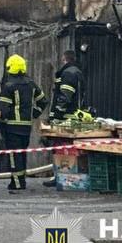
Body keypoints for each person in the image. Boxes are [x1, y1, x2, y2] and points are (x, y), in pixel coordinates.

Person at [0, 55, 46, 192]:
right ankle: (20, 179)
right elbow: (43, 101)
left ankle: (17, 183)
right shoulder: (31, 84)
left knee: (14, 154)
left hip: (12, 126)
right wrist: (34, 113)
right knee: (22, 153)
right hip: (26, 126)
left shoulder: (9, 86)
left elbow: (4, 109)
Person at [44, 51, 86, 187]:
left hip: (66, 118)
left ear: (64, 59)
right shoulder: (77, 72)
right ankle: (62, 176)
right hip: (75, 115)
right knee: (68, 149)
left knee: (61, 148)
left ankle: (60, 177)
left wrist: (57, 114)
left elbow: (65, 96)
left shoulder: (68, 73)